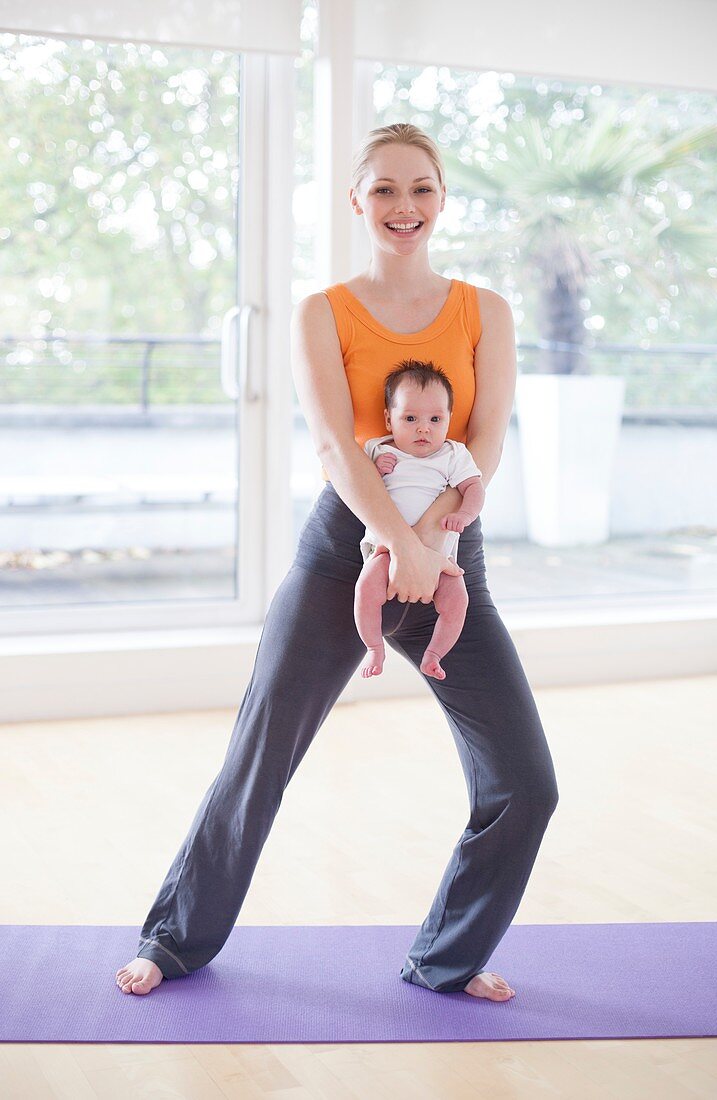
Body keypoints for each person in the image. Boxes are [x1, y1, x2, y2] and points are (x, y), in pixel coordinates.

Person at [115, 122, 558, 1002]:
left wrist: (432, 542)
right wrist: (398, 540)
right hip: (342, 552)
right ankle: (170, 942)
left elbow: (485, 439)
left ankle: (448, 958)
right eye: (386, 190)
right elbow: (332, 445)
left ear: (442, 198)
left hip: (451, 557)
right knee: (259, 757)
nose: (405, 207)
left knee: (526, 783)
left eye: (422, 189)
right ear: (357, 200)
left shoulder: (486, 311)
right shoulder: (323, 310)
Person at [355, 358, 485, 680]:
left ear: (449, 420)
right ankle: (374, 647)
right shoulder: (378, 449)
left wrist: (465, 514)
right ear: (389, 419)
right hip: (386, 549)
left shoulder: (453, 455)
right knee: (365, 588)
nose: (423, 428)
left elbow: (475, 488)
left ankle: (435, 653)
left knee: (458, 600)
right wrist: (375, 470)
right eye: (410, 418)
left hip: (440, 557)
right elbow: (357, 486)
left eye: (435, 419)